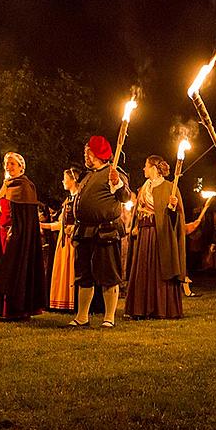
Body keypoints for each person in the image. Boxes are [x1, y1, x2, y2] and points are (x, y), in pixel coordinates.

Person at [71, 136, 131, 328]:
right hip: (85, 231)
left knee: (108, 275)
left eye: (87, 152)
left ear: (95, 153)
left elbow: (124, 196)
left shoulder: (114, 173)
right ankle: (82, 317)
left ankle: (109, 318)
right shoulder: (88, 175)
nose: (85, 155)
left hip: (105, 231)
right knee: (84, 275)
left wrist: (117, 183)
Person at [0, 152, 47, 321]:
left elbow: (24, 219)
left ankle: (17, 310)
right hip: (2, 235)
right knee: (3, 270)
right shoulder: (7, 185)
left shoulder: (25, 186)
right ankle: (4, 310)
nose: (8, 167)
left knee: (15, 270)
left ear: (21, 167)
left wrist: (15, 232)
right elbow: (1, 215)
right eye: (7, 164)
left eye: (12, 164)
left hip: (17, 238)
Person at [124, 155, 185, 319]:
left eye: (146, 165)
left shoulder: (169, 188)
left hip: (160, 236)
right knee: (143, 270)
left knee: (159, 270)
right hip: (144, 235)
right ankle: (140, 308)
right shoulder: (143, 188)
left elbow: (176, 220)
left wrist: (173, 207)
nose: (143, 169)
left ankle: (162, 308)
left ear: (154, 168)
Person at [42, 167, 81, 311]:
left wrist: (74, 227)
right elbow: (61, 224)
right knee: (62, 270)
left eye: (65, 178)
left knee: (71, 270)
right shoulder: (68, 200)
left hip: (73, 240)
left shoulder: (79, 199)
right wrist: (42, 225)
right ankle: (62, 300)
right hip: (64, 240)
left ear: (73, 180)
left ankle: (72, 301)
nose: (63, 181)